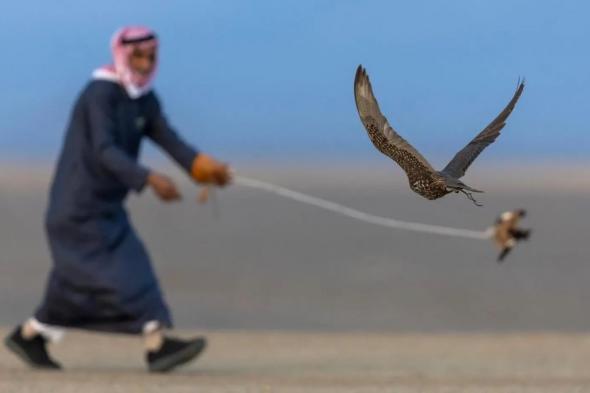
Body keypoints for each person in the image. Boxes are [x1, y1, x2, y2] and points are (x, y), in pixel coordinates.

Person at [3, 26, 231, 372]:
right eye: (137, 56)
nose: (144, 63)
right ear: (122, 54)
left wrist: (202, 167)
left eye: (150, 56)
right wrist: (148, 178)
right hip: (77, 208)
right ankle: (158, 345)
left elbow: (169, 139)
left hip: (107, 207)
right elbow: (103, 150)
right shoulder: (101, 94)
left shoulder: (144, 99)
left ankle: (30, 335)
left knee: (73, 286)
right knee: (131, 270)